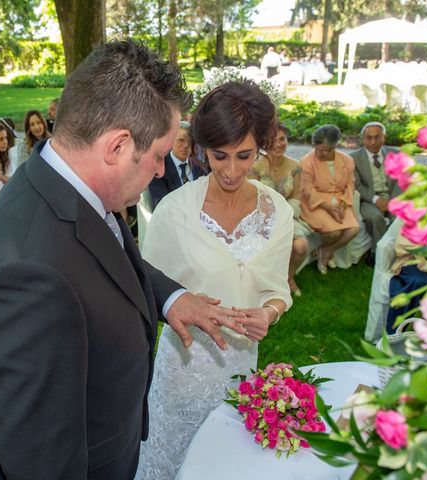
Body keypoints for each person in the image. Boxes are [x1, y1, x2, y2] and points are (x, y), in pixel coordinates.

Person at [0, 39, 246, 480]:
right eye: (157, 156)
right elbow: (44, 462)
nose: (157, 171)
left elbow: (100, 258)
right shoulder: (28, 279)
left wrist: (170, 299)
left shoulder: (61, 186)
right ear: (116, 147)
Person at [136, 81, 293, 480]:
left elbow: (278, 290)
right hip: (184, 369)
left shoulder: (277, 210)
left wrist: (269, 314)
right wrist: (183, 305)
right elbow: (145, 293)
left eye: (245, 155)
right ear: (203, 148)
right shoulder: (174, 212)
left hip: (242, 368)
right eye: (219, 156)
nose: (231, 169)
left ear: (261, 147)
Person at [251, 123, 309, 296]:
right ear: (264, 143)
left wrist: (284, 217)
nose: (278, 144)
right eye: (273, 140)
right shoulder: (255, 167)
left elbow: (296, 197)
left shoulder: (296, 166)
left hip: (288, 216)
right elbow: (254, 200)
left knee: (301, 246)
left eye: (282, 139)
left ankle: (289, 278)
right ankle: (266, 284)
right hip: (261, 218)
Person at [299, 124, 360, 274]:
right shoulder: (306, 161)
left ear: (334, 146)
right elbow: (307, 190)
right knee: (334, 233)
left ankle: (325, 251)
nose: (318, 154)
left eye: (324, 150)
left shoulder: (347, 160)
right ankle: (324, 253)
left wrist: (343, 204)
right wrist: (328, 207)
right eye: (316, 149)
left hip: (340, 200)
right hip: (315, 202)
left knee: (353, 229)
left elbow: (350, 184)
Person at [351, 122, 401, 259]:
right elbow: (357, 185)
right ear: (362, 139)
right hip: (369, 200)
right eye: (368, 137)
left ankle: (399, 251)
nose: (373, 142)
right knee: (373, 217)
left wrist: (392, 201)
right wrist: (376, 200)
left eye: (377, 137)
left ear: (383, 138)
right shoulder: (353, 158)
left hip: (393, 197)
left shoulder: (396, 154)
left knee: (399, 216)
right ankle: (376, 252)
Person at [148, 120, 206, 208]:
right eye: (181, 140)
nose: (186, 145)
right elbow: (160, 203)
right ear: (171, 141)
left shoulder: (199, 168)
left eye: (190, 141)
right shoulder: (159, 169)